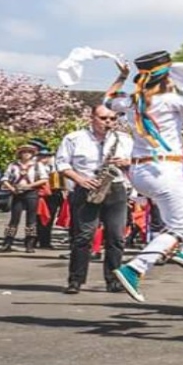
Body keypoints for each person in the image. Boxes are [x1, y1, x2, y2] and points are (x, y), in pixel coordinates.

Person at [109, 51, 183, 302]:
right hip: (164, 171)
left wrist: (121, 76)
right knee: (180, 226)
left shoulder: (131, 101)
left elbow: (109, 100)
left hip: (139, 172)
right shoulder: (170, 99)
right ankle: (136, 267)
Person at [56, 104, 135, 294]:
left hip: (115, 188)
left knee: (116, 237)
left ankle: (114, 279)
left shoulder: (124, 139)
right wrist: (79, 179)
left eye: (112, 119)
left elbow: (139, 163)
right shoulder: (74, 138)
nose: (108, 122)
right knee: (83, 237)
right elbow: (61, 163)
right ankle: (75, 280)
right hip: (86, 188)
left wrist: (127, 163)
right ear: (92, 118)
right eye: (103, 118)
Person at [1, 139, 50, 253]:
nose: (26, 154)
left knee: (31, 220)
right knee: (14, 219)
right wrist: (12, 188)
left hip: (31, 193)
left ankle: (29, 244)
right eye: (24, 152)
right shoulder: (13, 165)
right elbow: (5, 178)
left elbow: (44, 179)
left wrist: (30, 185)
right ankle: (7, 243)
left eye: (29, 152)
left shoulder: (38, 165)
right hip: (17, 193)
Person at [36, 145, 65, 251]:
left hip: (54, 193)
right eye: (42, 156)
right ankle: (38, 240)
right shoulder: (37, 167)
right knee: (40, 218)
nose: (44, 159)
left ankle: (45, 240)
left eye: (46, 156)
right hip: (42, 194)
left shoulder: (55, 165)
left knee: (49, 218)